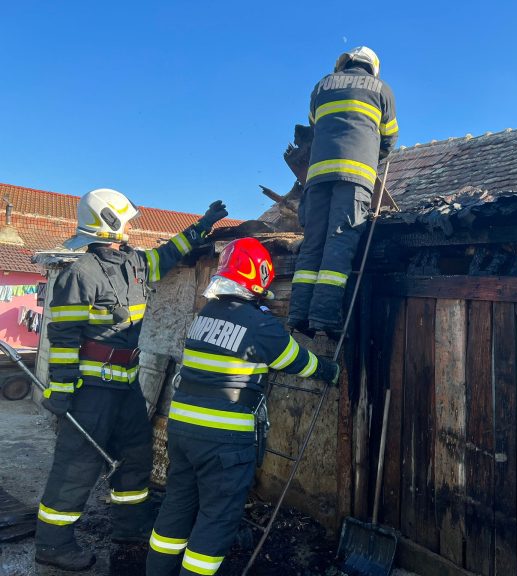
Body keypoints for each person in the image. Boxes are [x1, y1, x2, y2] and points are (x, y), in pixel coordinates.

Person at [35, 188, 228, 571]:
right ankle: (52, 543)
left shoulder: (135, 264)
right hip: (89, 390)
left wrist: (203, 226)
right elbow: (64, 337)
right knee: (77, 466)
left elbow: (169, 253)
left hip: (126, 385)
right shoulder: (79, 273)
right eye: (125, 221)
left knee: (136, 456)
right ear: (108, 222)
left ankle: (131, 526)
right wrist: (59, 388)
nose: (130, 229)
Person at [145, 237, 339, 576]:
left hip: (182, 431)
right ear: (259, 277)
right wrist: (329, 370)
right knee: (216, 518)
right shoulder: (261, 324)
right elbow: (296, 361)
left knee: (177, 506)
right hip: (224, 440)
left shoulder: (205, 315)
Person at [288, 46, 398, 337]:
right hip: (354, 177)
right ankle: (324, 317)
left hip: (316, 177)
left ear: (344, 63)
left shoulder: (321, 86)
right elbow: (389, 138)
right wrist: (374, 157)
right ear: (372, 67)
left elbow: (314, 128)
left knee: (313, 242)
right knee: (340, 240)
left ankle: (298, 313)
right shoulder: (381, 89)